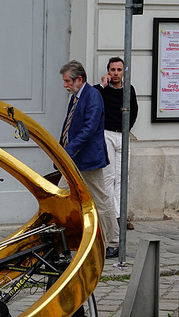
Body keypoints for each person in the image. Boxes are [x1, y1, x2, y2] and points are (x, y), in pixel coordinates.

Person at [59, 60, 120, 259]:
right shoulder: (75, 97)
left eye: (68, 81)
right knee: (62, 196)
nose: (65, 85)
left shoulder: (92, 96)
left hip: (88, 159)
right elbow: (69, 126)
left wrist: (68, 151)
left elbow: (89, 128)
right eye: (65, 81)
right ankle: (66, 238)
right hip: (73, 158)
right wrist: (60, 150)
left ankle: (113, 241)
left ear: (79, 79)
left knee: (101, 200)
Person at [94, 57, 138, 231]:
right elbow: (91, 98)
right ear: (108, 71)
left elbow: (133, 111)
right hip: (107, 134)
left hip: (123, 134)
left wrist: (126, 128)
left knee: (122, 176)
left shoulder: (129, 90)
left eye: (119, 70)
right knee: (108, 176)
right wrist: (102, 85)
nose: (116, 73)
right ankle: (110, 216)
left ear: (124, 72)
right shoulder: (102, 91)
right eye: (113, 70)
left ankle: (120, 215)